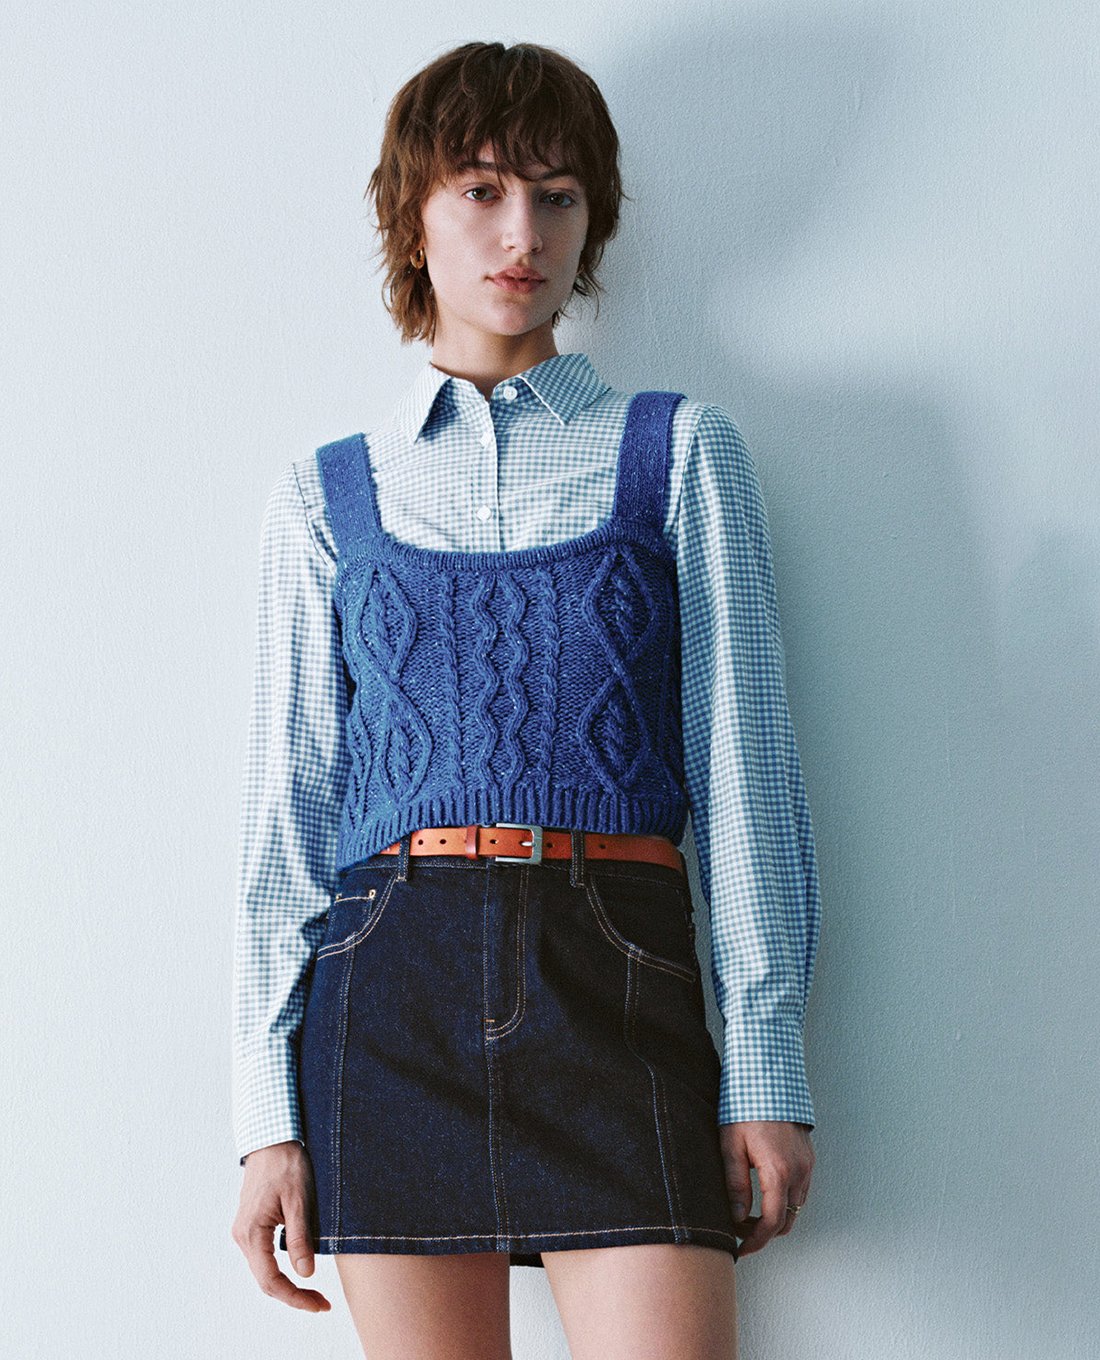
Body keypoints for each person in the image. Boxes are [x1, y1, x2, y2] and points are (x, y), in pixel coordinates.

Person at [230, 39, 819, 1360]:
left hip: (618, 978)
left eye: (558, 197)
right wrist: (266, 1119)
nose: (524, 234)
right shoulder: (326, 495)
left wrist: (766, 1066)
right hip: (388, 996)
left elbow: (747, 777)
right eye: (483, 191)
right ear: (413, 218)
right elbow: (289, 820)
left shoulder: (680, 454)